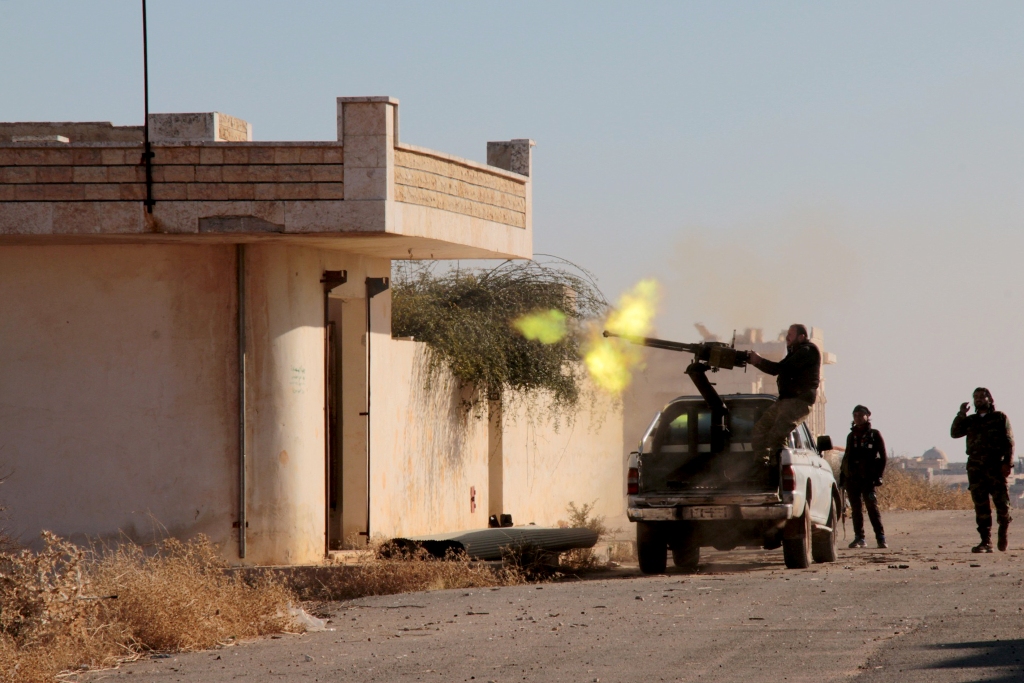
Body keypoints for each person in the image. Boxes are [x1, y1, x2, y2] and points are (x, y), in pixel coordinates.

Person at [747, 324, 821, 466]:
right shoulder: (794, 352)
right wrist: (754, 361)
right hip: (785, 401)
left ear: (801, 337)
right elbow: (777, 370)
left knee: (777, 436)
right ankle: (762, 465)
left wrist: (759, 361)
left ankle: (781, 469)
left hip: (799, 401)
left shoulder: (808, 351)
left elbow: (780, 369)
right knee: (760, 430)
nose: (787, 337)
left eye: (791, 334)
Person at [951, 388, 1015, 553]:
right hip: (975, 467)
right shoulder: (971, 420)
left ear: (989, 399)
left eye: (982, 396)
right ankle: (985, 541)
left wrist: (1007, 463)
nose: (978, 399)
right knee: (981, 505)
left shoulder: (999, 418)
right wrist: (961, 414)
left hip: (995, 466)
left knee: (1002, 503)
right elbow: (955, 433)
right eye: (976, 397)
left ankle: (1003, 528)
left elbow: (1009, 442)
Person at [841, 405, 887, 548]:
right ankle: (859, 537)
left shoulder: (874, 435)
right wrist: (842, 477)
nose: (858, 418)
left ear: (867, 416)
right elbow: (846, 457)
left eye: (861, 415)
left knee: (872, 508)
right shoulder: (851, 436)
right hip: (852, 478)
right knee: (856, 509)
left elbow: (883, 457)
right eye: (855, 415)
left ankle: (880, 538)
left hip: (868, 479)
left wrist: (879, 476)